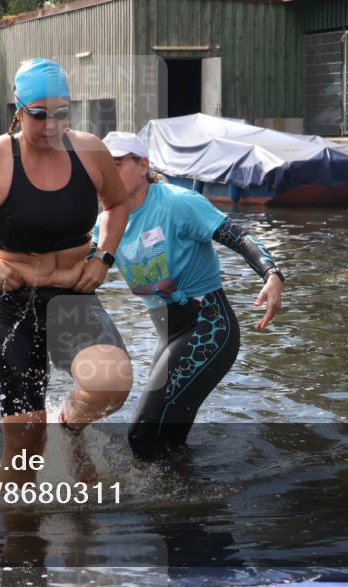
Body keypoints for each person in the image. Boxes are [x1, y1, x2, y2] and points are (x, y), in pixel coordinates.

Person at [0, 58, 131, 483]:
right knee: (24, 448)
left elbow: (118, 204)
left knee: (113, 383)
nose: (51, 125)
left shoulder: (89, 150)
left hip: (73, 296)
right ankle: (19, 540)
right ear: (18, 110)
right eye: (39, 115)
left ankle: (70, 425)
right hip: (14, 302)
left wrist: (103, 257)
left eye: (61, 113)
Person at [95, 132, 285, 460]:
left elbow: (238, 236)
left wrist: (271, 274)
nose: (108, 175)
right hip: (168, 334)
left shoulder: (176, 203)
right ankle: (186, 500)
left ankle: (174, 501)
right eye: (103, 168)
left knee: (141, 435)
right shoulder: (106, 224)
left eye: (117, 164)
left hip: (208, 327)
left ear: (143, 165)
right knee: (164, 438)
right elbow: (78, 271)